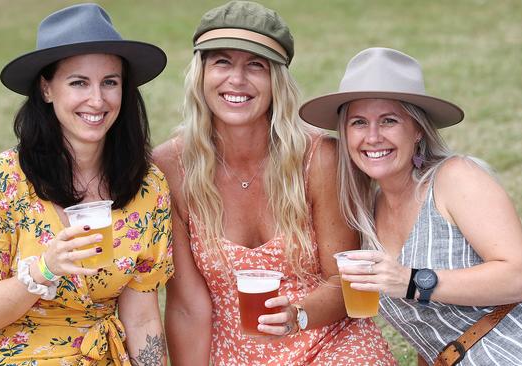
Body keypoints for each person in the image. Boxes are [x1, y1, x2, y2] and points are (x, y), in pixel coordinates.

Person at [153, 2, 396, 365]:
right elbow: (188, 307)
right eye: (222, 61)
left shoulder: (319, 157)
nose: (237, 79)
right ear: (200, 73)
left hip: (325, 338)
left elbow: (341, 283)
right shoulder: (170, 165)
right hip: (233, 351)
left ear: (276, 80)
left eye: (256, 65)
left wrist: (297, 315)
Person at [300, 47, 522, 365]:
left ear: (418, 129)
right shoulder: (365, 215)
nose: (372, 136)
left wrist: (412, 281)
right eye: (358, 122)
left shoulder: (455, 178)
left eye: (388, 120)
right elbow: (431, 335)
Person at [0, 4, 173, 365]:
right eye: (78, 82)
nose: (97, 100)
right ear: (46, 89)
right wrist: (44, 269)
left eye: (110, 82)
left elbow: (142, 316)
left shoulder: (148, 186)